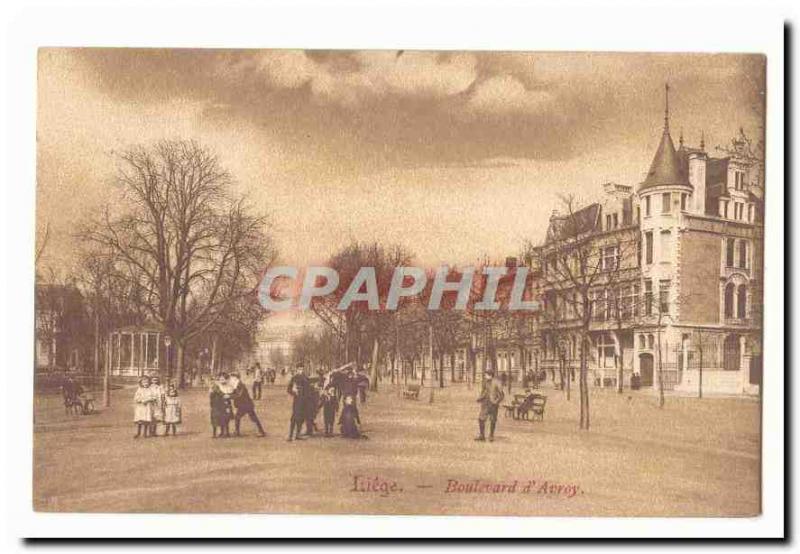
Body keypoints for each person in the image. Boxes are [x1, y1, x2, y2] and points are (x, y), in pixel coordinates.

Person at [229, 372, 266, 437]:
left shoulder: (240, 384)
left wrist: (229, 396)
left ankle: (237, 432)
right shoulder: (236, 384)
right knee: (253, 418)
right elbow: (234, 393)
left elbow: (238, 395)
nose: (230, 379)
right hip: (245, 405)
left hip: (245, 405)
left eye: (231, 378)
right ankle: (261, 431)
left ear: (235, 378)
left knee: (238, 417)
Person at [475, 370, 504, 442]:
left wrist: (496, 402)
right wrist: (480, 398)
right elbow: (485, 392)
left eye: (486, 375)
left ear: (490, 375)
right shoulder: (486, 382)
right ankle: (482, 436)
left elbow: (501, 395)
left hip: (493, 404)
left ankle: (491, 436)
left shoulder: (497, 382)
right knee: (481, 419)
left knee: (493, 420)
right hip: (485, 403)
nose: (485, 376)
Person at [286, 364, 310, 441]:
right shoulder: (294, 378)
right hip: (297, 401)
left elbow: (308, 388)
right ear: (296, 369)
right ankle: (290, 435)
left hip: (305, 401)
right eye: (299, 369)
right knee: (294, 418)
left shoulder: (306, 378)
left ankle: (298, 434)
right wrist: (294, 392)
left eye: (302, 369)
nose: (301, 370)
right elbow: (289, 389)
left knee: (302, 418)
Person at [210, 374, 232, 438]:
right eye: (220, 379)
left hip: (225, 404)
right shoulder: (216, 386)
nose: (221, 380)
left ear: (226, 380)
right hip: (216, 405)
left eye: (223, 379)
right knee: (215, 418)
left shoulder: (227, 387)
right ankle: (215, 433)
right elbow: (212, 397)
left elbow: (227, 395)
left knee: (225, 418)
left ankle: (226, 432)